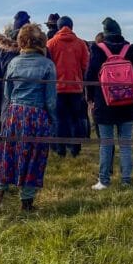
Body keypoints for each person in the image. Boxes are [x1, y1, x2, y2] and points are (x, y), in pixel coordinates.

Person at [0, 23, 57, 212]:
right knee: (33, 155)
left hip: (14, 113)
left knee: (6, 152)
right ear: (41, 42)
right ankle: (26, 201)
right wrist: (52, 119)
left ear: (21, 42)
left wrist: (6, 114)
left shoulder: (14, 63)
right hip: (36, 114)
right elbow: (50, 99)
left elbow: (7, 93)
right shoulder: (48, 65)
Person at [86, 17, 133, 190]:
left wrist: (91, 99)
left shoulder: (98, 49)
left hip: (105, 105)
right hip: (127, 105)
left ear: (104, 33)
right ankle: (126, 180)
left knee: (106, 144)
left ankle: (104, 181)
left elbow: (89, 77)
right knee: (125, 144)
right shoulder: (130, 50)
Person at [47, 15, 89, 157]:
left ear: (58, 27)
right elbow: (85, 65)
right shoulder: (80, 43)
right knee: (76, 118)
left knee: (59, 119)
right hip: (75, 87)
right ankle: (75, 149)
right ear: (72, 26)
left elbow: (48, 65)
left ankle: (60, 149)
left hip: (57, 88)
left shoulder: (51, 43)